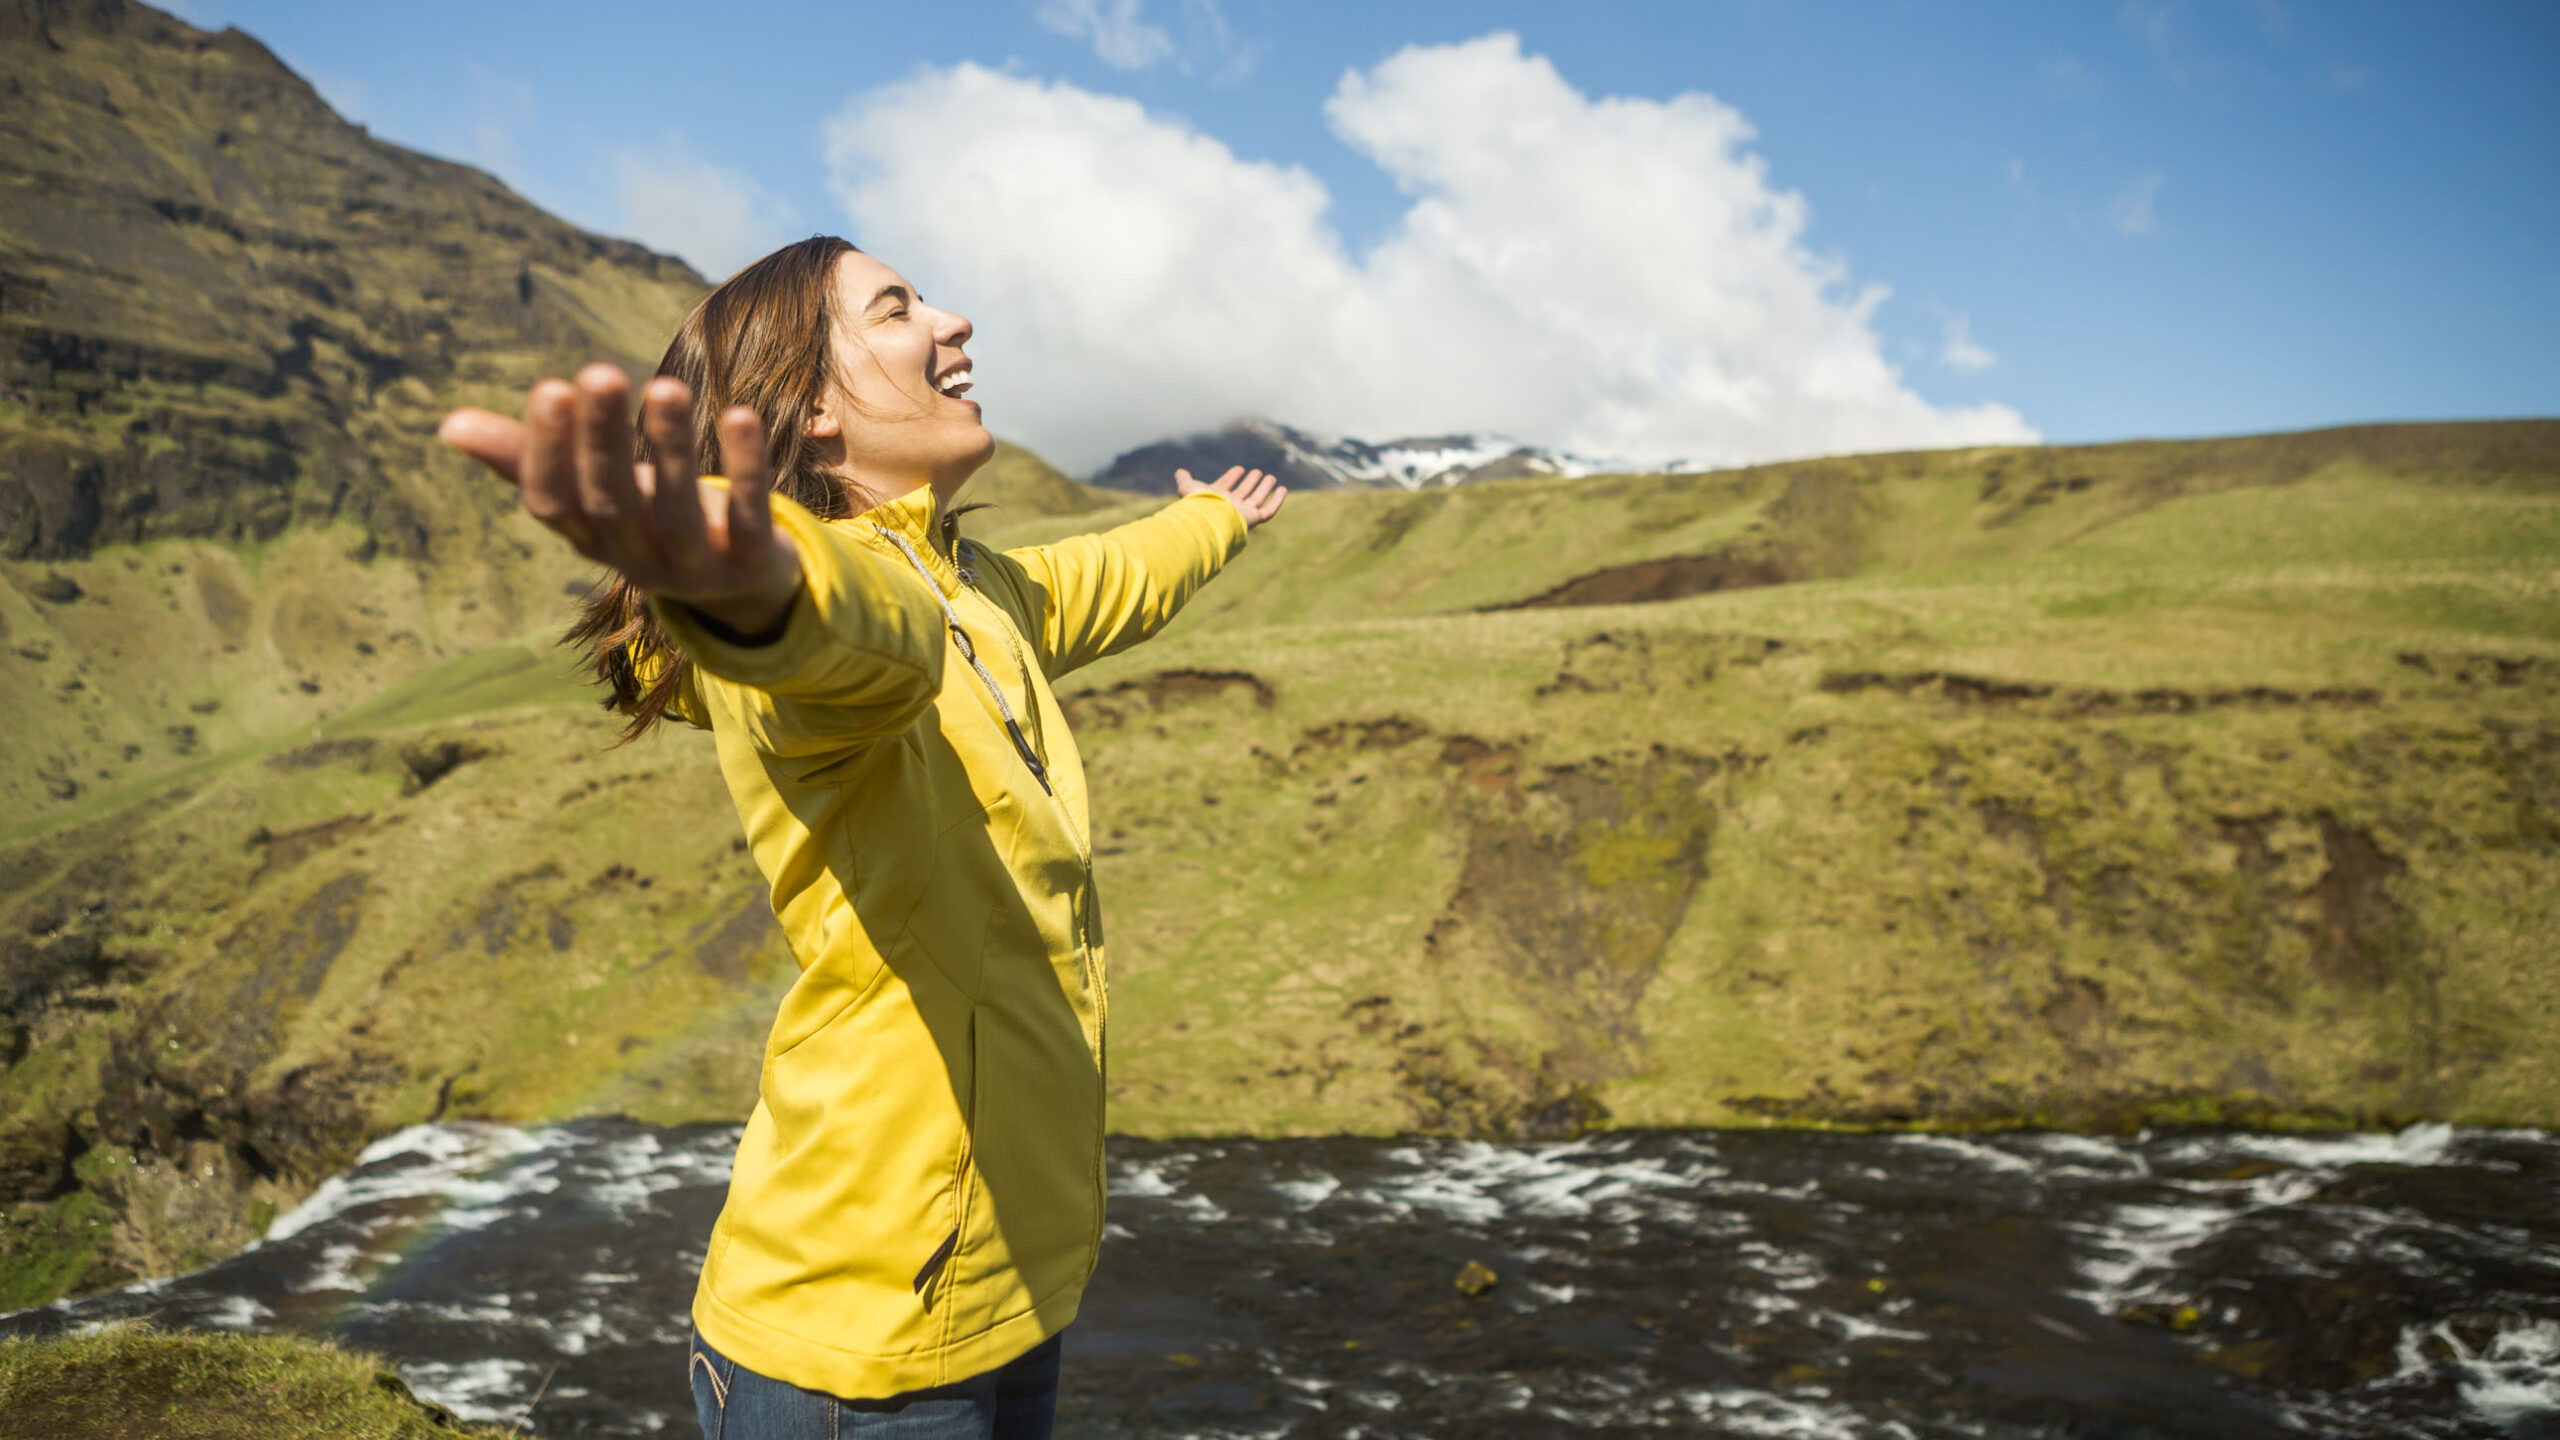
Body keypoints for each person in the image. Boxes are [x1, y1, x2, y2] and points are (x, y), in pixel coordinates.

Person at [436, 235, 1286, 1440]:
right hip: (862, 1358)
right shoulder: (848, 608)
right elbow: (851, 633)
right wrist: (751, 590)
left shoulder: (977, 585)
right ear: (816, 415)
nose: (955, 322)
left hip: (1003, 1304)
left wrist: (1208, 525)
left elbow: (1111, 573)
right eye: (897, 310)